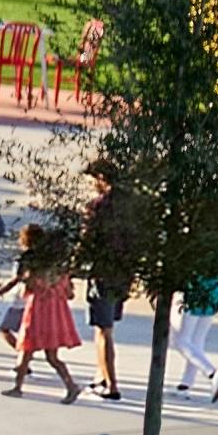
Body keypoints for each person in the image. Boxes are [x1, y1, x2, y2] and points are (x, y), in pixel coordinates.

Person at [0, 224, 83, 403]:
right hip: (56, 312)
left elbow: (26, 285)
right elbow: (69, 294)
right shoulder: (58, 267)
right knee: (52, 356)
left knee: (26, 348)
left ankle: (18, 387)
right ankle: (71, 385)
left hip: (37, 308)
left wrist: (4, 291)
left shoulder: (31, 263)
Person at [82, 160, 133, 401]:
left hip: (103, 272)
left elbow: (87, 240)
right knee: (104, 327)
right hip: (123, 273)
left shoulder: (98, 206)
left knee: (104, 330)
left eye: (93, 180)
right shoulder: (130, 205)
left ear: (101, 178)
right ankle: (101, 375)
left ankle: (111, 384)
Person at [174, 276, 218, 402]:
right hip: (213, 294)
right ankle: (186, 384)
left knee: (182, 341)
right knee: (197, 341)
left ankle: (212, 373)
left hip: (196, 295)